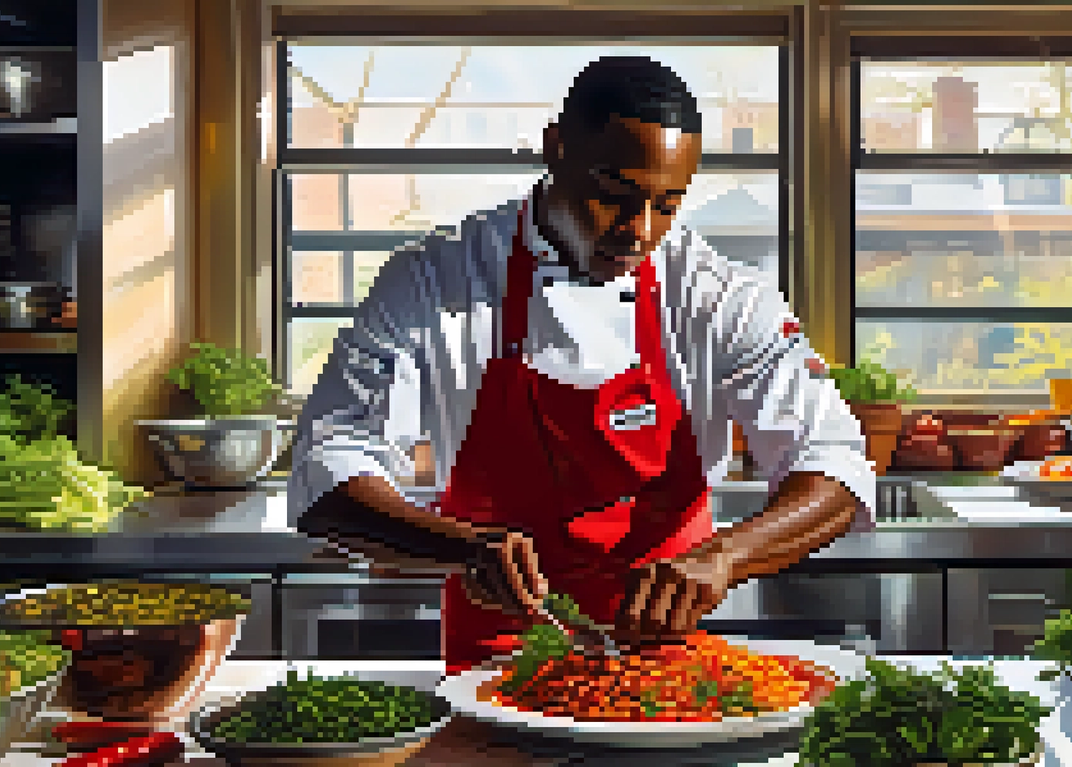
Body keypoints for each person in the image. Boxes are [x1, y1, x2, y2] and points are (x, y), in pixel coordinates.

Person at [288, 56, 876, 675]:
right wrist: (460, 548)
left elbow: (834, 463)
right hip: (494, 666)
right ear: (555, 147)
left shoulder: (723, 297)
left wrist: (727, 555)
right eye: (614, 197)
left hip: (667, 666)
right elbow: (328, 465)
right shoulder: (435, 280)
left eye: (667, 204)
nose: (639, 231)